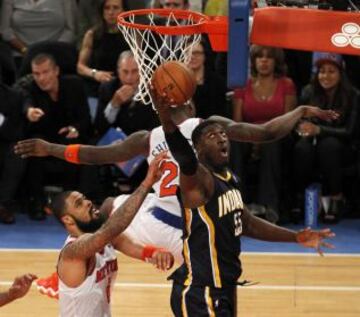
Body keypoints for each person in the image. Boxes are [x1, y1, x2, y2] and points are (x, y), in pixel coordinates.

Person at [15, 93, 337, 296]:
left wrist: (49, 148)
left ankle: (71, 269)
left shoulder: (147, 136)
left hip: (153, 217)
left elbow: (92, 155)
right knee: (217, 249)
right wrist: (300, 111)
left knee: (109, 208)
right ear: (193, 104)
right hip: (185, 230)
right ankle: (177, 274)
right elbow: (267, 133)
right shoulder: (210, 128)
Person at [153, 94, 335, 316]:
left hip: (225, 287)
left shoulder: (228, 178)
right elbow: (183, 154)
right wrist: (164, 115)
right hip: (201, 293)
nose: (221, 138)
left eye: (223, 133)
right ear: (198, 149)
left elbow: (247, 223)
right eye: (212, 135)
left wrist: (295, 237)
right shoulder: (198, 179)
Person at [54, 151, 173, 316]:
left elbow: (127, 244)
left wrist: (154, 253)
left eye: (85, 198)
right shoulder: (74, 251)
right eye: (79, 204)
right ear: (67, 219)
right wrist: (146, 183)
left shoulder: (105, 238)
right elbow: (113, 228)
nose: (88, 202)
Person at [21, 53, 92, 220]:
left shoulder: (75, 85)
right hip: (44, 139)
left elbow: (86, 119)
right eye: (37, 74)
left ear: (56, 71)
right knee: (33, 146)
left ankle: (72, 204)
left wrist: (75, 128)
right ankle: (36, 202)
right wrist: (29, 111)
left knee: (75, 144)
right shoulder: (31, 88)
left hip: (67, 137)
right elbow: (26, 102)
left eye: (45, 72)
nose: (41, 78)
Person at [292, 52, 359, 223]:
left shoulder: (353, 95)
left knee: (328, 146)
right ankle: (300, 199)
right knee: (301, 148)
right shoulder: (308, 91)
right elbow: (298, 121)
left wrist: (319, 130)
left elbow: (349, 132)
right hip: (313, 143)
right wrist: (303, 128)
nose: (325, 76)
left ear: (340, 73)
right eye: (322, 71)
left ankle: (337, 199)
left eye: (331, 71)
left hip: (343, 147)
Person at [232, 45, 297, 221]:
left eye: (269, 57)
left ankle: (270, 207)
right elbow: (237, 124)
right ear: (254, 61)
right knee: (235, 142)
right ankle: (237, 205)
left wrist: (265, 136)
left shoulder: (286, 84)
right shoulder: (242, 85)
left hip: (278, 135)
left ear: (276, 61)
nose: (264, 61)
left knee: (272, 143)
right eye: (260, 57)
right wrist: (254, 137)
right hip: (248, 135)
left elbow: (287, 122)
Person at [94, 50, 159, 138]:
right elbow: (99, 128)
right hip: (112, 144)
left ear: (142, 71)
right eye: (125, 72)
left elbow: (155, 128)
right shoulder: (107, 88)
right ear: (118, 72)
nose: (129, 77)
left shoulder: (152, 91)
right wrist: (114, 104)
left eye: (134, 71)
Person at [77, 0, 129, 97]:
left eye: (115, 8)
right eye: (107, 8)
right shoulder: (92, 35)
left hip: (124, 88)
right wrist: (95, 74)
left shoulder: (132, 35)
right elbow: (80, 67)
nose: (111, 12)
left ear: (124, 11)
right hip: (96, 88)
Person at [0, 83, 26, 224]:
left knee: (17, 150)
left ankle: (3, 205)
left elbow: (15, 131)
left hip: (5, 142)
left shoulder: (13, 96)